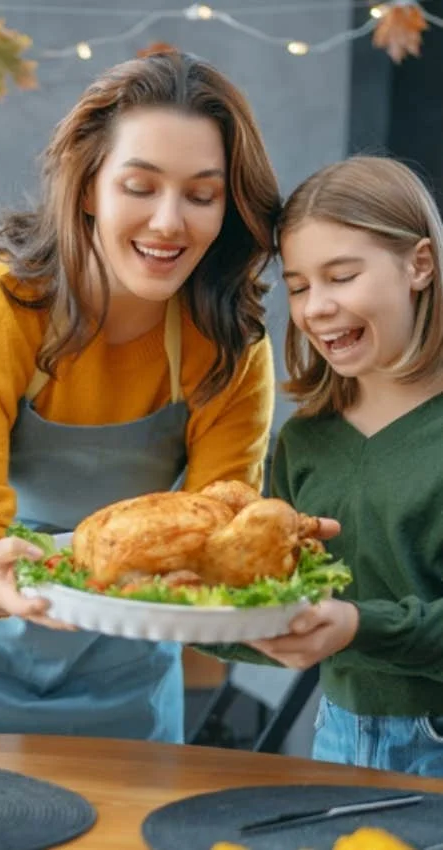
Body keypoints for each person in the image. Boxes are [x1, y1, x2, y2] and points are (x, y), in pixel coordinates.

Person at [0, 49, 282, 740]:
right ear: (89, 187)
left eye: (202, 195)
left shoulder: (230, 349)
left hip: (129, 680)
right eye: (140, 186)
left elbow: (215, 536)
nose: (168, 223)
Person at [240, 156, 443, 775]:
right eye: (299, 286)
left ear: (420, 264)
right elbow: (282, 606)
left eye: (342, 276)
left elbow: (350, 622)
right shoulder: (305, 440)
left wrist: (359, 626)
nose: (316, 307)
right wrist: (133, 600)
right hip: (335, 739)